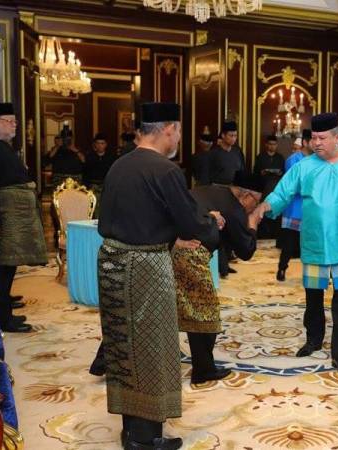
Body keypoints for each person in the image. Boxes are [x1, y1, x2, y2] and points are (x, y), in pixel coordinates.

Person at [97, 102, 219, 450]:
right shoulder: (166, 170)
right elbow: (191, 224)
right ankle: (147, 438)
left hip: (110, 260)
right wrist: (208, 221)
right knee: (152, 346)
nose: (179, 136)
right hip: (146, 266)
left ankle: (130, 429)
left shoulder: (120, 164)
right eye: (179, 130)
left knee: (122, 343)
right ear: (168, 129)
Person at [251, 113, 338, 376]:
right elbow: (282, 192)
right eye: (313, 138)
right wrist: (266, 205)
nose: (316, 143)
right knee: (313, 298)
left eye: (322, 138)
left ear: (337, 138)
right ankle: (313, 340)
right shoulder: (304, 166)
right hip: (314, 242)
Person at [172, 172, 261, 384]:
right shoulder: (236, 209)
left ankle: (104, 361)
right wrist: (253, 223)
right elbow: (246, 251)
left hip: (167, 247)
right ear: (247, 196)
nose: (253, 206)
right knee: (206, 312)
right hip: (190, 255)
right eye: (256, 202)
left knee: (152, 305)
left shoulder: (208, 189)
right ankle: (204, 370)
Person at [0, 103, 47, 333]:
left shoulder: (3, 146)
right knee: (0, 269)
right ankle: (1, 319)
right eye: (10, 120)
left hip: (15, 216)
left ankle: (6, 315)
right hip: (4, 217)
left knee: (10, 266)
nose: (15, 124)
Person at [276, 129, 312, 281]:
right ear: (305, 142)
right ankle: (282, 268)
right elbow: (293, 184)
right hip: (296, 207)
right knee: (290, 241)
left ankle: (313, 273)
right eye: (314, 140)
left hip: (313, 208)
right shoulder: (293, 160)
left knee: (312, 242)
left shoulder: (319, 159)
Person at [254, 135, 285, 239]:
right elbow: (256, 173)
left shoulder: (280, 158)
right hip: (263, 188)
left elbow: (283, 173)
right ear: (266, 144)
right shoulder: (260, 157)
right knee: (263, 212)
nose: (272, 146)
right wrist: (263, 172)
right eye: (270, 144)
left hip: (276, 188)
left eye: (274, 144)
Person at [83, 132, 116, 218]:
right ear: (95, 145)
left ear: (106, 145)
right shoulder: (90, 157)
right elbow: (85, 173)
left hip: (107, 187)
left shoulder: (111, 157)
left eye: (102, 143)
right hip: (93, 186)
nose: (100, 146)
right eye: (98, 143)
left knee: (106, 209)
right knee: (93, 209)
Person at [208, 121, 245, 185]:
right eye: (231, 135)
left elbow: (241, 171)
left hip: (235, 188)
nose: (233, 138)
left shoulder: (237, 151)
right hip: (218, 189)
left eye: (235, 136)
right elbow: (207, 175)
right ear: (223, 135)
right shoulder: (213, 153)